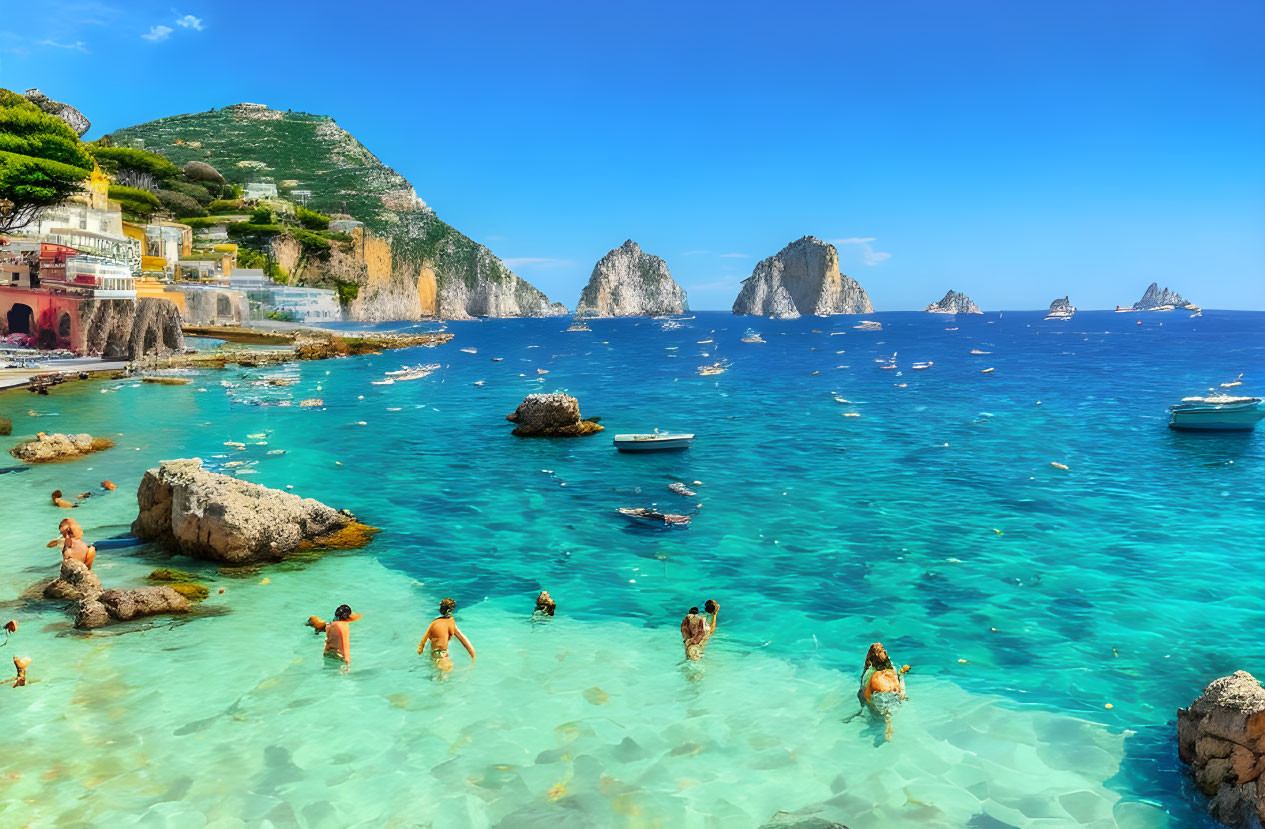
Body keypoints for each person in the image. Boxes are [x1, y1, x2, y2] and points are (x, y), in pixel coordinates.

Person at [854, 642, 910, 742]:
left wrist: (868, 703)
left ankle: (883, 719)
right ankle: (888, 719)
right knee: (888, 708)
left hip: (879, 696)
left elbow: (866, 693)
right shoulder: (887, 669)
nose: (885, 650)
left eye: (883, 648)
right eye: (881, 650)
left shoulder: (873, 673)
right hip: (888, 695)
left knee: (878, 715)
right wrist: (900, 674)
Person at [418, 598, 475, 672]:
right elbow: (462, 638)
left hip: (433, 654)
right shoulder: (451, 622)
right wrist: (473, 655)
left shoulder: (434, 622)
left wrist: (420, 649)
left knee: (438, 674)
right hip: (442, 654)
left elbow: (424, 640)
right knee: (447, 672)